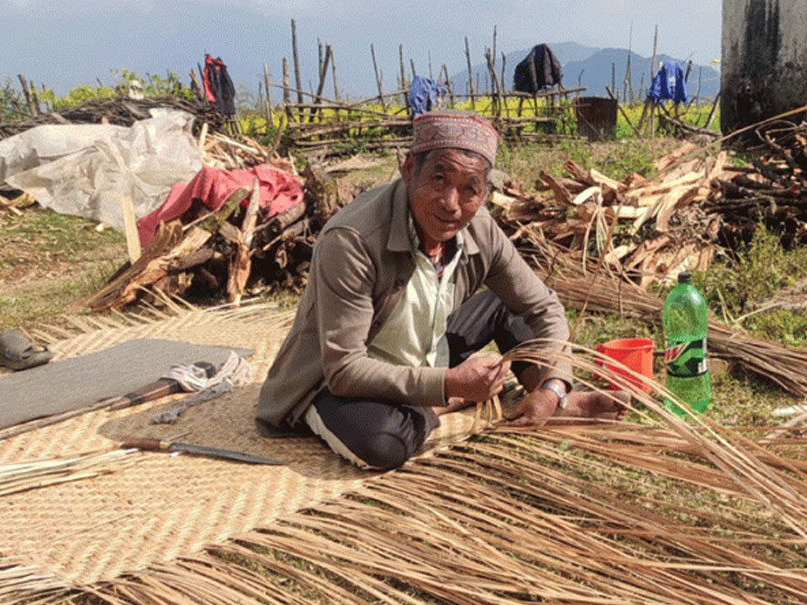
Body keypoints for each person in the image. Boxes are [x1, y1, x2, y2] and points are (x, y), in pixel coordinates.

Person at [257, 111, 624, 469]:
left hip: (422, 350)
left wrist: (553, 387)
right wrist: (450, 385)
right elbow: (345, 369)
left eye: (469, 189)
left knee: (511, 306)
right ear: (408, 169)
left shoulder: (479, 228)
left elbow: (544, 309)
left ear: (484, 193)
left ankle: (554, 404)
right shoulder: (353, 240)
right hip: (336, 380)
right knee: (384, 443)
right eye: (438, 179)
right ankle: (440, 403)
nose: (451, 204)